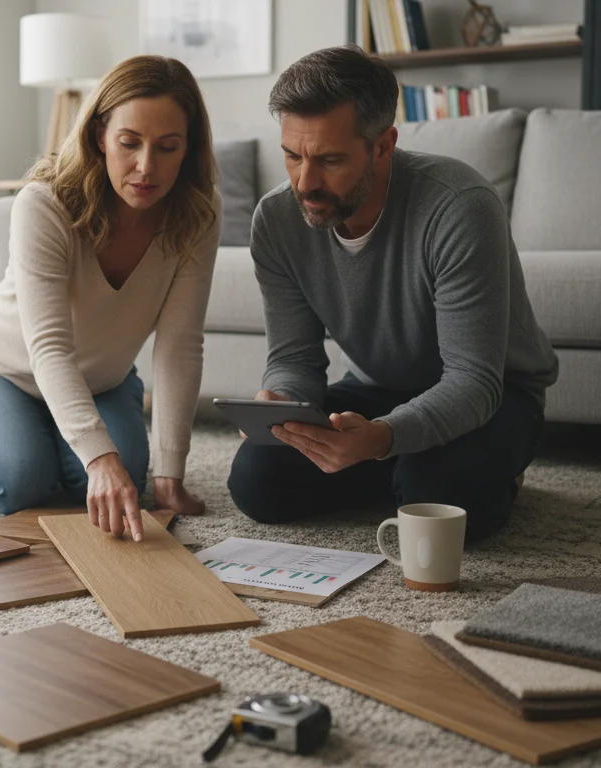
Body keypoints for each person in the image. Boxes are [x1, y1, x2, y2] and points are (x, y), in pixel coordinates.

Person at [226, 46, 559, 542]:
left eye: (330, 160)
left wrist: (381, 438)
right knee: (258, 483)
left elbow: (473, 381)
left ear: (384, 145)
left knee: (438, 505)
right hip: (377, 387)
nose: (305, 182)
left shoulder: (459, 207)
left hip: (495, 394)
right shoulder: (277, 219)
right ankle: (402, 467)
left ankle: (449, 469)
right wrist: (284, 406)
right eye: (292, 156)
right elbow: (294, 358)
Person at [0, 55, 222, 542]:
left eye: (168, 147)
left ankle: (55, 432)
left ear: (188, 149)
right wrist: (99, 457)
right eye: (129, 143)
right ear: (99, 136)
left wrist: (170, 473)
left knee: (122, 484)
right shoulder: (44, 203)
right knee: (19, 482)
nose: (146, 167)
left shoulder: (199, 212)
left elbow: (180, 344)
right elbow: (48, 346)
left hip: (103, 381)